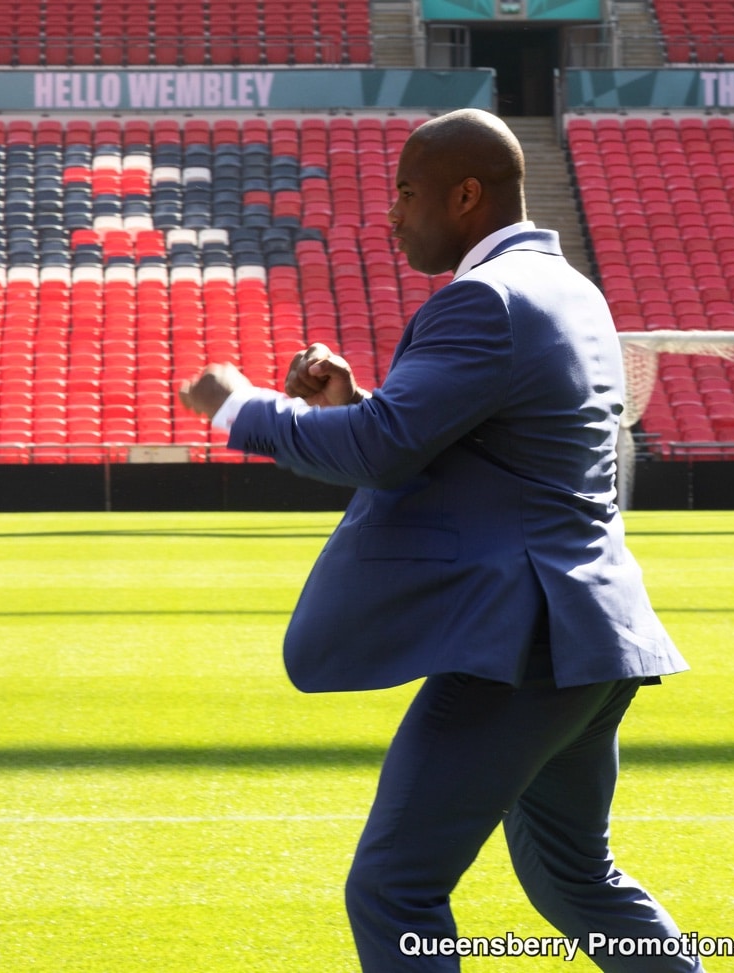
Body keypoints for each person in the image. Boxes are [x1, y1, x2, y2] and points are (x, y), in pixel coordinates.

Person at [179, 109, 702, 972]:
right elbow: (486, 458)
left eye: (407, 194)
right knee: (578, 879)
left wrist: (241, 408)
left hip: (524, 647)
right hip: (595, 637)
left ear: (466, 195)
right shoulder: (573, 290)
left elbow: (387, 451)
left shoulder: (484, 299)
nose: (392, 216)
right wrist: (355, 405)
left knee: (395, 889)